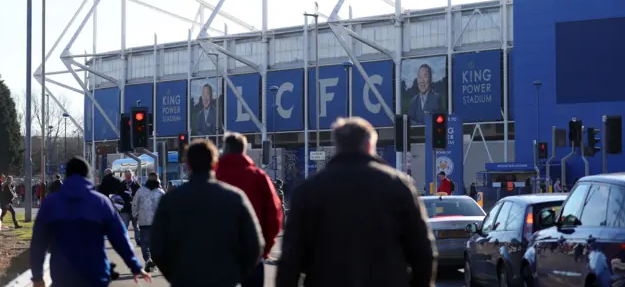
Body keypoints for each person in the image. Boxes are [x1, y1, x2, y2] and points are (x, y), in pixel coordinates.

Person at [276, 117, 437, 287]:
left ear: (338, 146)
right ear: (369, 145)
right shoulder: (398, 186)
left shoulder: (308, 191)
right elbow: (422, 251)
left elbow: (290, 259)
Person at [150, 139, 264, 286]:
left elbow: (157, 247)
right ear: (215, 164)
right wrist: (236, 274)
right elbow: (254, 245)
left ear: (187, 165)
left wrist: (175, 275)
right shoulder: (235, 198)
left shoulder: (170, 201)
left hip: (185, 279)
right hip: (224, 280)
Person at [29, 156, 151, 287]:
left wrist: (37, 277)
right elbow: (120, 238)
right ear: (88, 176)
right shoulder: (101, 203)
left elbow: (38, 243)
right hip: (95, 275)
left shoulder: (50, 203)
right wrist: (135, 266)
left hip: (63, 275)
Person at [216, 133, 283, 287]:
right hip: (251, 253)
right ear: (244, 150)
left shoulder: (214, 175)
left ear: (225, 149)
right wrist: (263, 250)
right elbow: (274, 216)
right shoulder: (259, 177)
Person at [131, 172, 165, 272]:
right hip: (157, 222)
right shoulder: (160, 192)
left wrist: (135, 215)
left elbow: (134, 204)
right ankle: (153, 260)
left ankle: (148, 260)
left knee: (145, 244)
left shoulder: (141, 191)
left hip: (144, 220)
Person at [120, 170, 141, 247]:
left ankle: (138, 241)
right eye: (126, 176)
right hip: (125, 209)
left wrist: (132, 194)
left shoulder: (136, 184)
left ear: (132, 176)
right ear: (124, 176)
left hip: (135, 209)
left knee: (136, 226)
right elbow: (117, 195)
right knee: (125, 226)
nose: (128, 177)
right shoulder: (121, 184)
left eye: (129, 175)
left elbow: (140, 194)